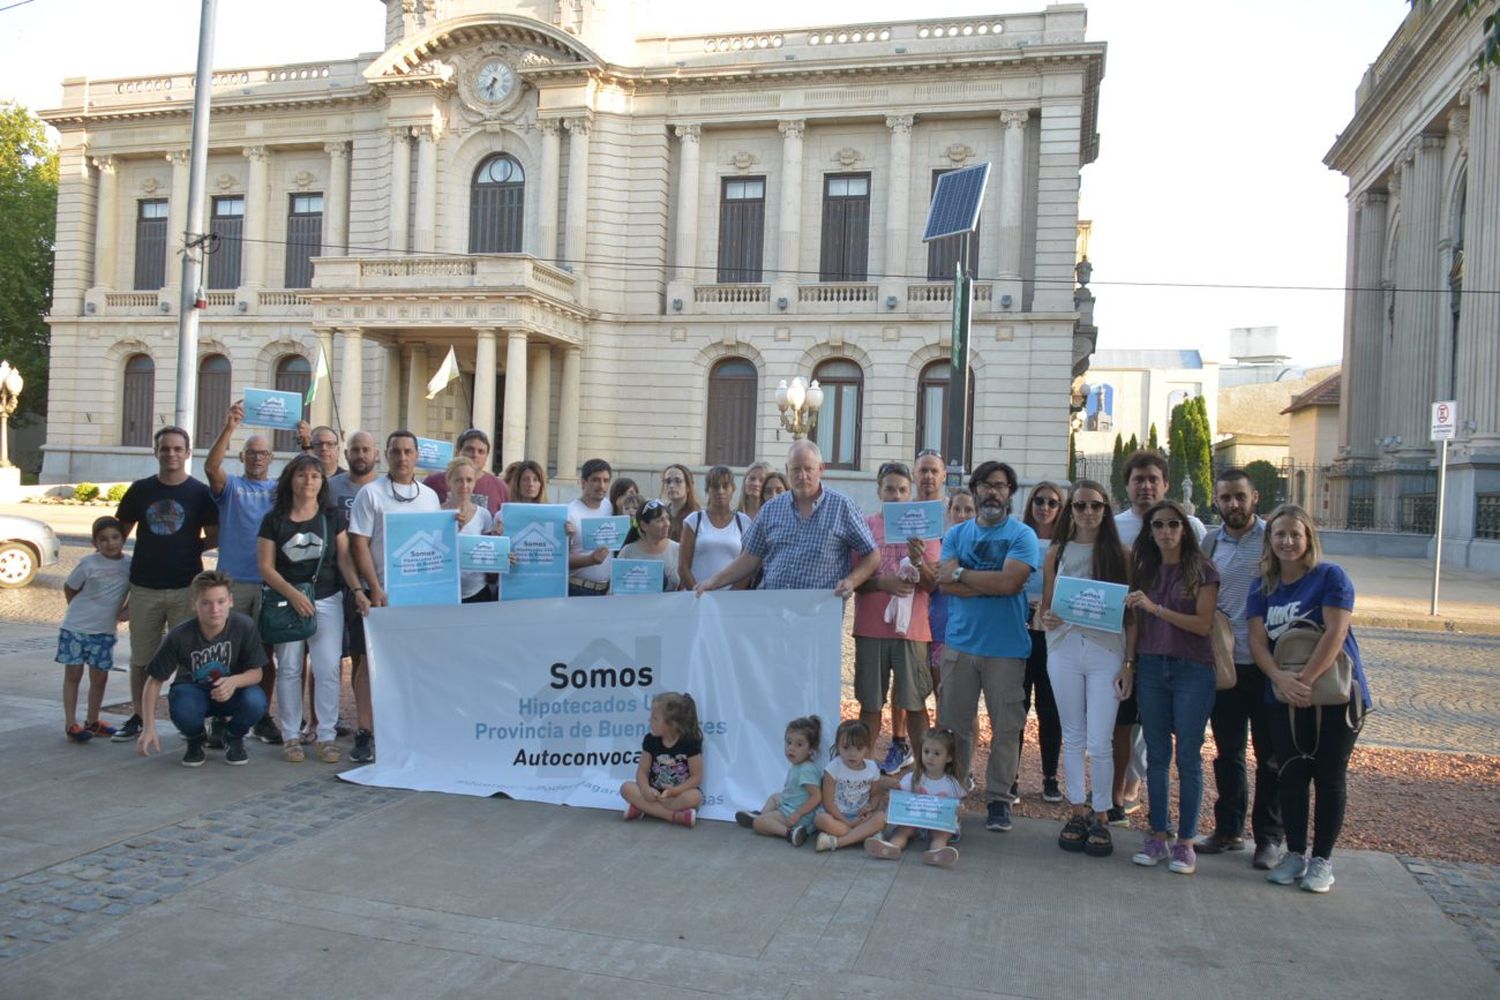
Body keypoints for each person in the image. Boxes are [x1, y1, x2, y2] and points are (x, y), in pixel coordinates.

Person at [1248, 504, 1371, 895]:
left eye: (1294, 534)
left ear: (1308, 538)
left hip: (1335, 694)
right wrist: (1280, 679)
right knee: (1292, 775)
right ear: (1270, 540)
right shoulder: (1262, 584)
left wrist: (1307, 679)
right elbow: (1257, 641)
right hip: (1282, 693)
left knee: (1329, 775)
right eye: (1279, 534)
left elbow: (1336, 632)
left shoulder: (1330, 577)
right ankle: (1295, 853)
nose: (1287, 541)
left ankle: (1322, 861)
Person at [935, 460, 1040, 834]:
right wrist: (988, 581)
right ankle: (954, 789)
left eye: (1000, 485)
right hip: (960, 644)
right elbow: (942, 584)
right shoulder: (956, 534)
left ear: (1010, 492)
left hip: (1006, 648)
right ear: (974, 489)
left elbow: (1011, 583)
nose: (992, 492)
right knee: (953, 726)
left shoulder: (1022, 535)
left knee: (1006, 728)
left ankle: (998, 799)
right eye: (985, 485)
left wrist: (963, 573)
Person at [1110, 449, 1206, 824]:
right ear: (1128, 485)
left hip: (1176, 644)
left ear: (1165, 484)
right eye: (1138, 479)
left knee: (1159, 731)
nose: (1146, 486)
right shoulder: (1115, 527)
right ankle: (1118, 790)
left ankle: (1145, 795)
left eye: (1153, 479)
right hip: (1127, 639)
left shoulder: (1191, 527)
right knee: (1122, 720)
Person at [1124, 499, 1221, 875]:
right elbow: (1134, 622)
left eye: (1173, 525)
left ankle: (1186, 841)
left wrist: (1156, 609)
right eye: (1158, 525)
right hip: (1150, 667)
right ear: (1150, 531)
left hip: (1192, 670)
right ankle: (1158, 835)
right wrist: (1129, 665)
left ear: (1185, 529)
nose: (1166, 532)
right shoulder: (1144, 569)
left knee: (1189, 758)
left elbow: (1202, 624)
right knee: (1157, 756)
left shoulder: (1202, 570)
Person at [1040, 480, 1134, 858]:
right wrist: (1048, 617)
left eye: (1095, 506)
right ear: (1071, 510)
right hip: (1064, 649)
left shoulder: (1120, 553)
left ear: (1105, 510)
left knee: (1100, 740)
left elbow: (1130, 615)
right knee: (1073, 735)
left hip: (1106, 653)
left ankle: (1101, 814)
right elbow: (1047, 606)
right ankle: (1077, 810)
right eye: (1080, 506)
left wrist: (1129, 663)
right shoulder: (1057, 551)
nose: (1088, 513)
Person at [1196, 468, 1284, 870]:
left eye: (1240, 497)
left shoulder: (1274, 539)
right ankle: (1228, 829)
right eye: (1225, 497)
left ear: (1255, 498)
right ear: (1216, 500)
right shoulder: (1210, 542)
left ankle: (1268, 838)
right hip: (1227, 664)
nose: (1233, 504)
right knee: (1228, 753)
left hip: (1269, 663)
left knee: (1271, 756)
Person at [112, 426, 218, 743]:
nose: (171, 454)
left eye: (177, 449)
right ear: (155, 451)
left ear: (188, 453)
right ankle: (140, 717)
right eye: (165, 448)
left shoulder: (200, 493)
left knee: (190, 660)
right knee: (142, 658)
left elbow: (215, 534)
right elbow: (119, 532)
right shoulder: (141, 490)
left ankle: (191, 720)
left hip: (187, 588)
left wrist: (191, 547)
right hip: (144, 587)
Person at [257, 454, 366, 761]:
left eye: (315, 476)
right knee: (289, 668)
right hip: (286, 601)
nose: (309, 481)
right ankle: (291, 735)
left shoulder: (332, 517)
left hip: (328, 598)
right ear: (290, 479)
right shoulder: (274, 520)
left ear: (322, 483)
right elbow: (265, 566)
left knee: (328, 668)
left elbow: (344, 559)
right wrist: (293, 595)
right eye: (302, 475)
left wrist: (356, 589)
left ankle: (325, 734)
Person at [348, 431, 442, 762]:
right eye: (396, 452)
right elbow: (358, 544)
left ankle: (406, 729)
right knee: (367, 665)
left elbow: (435, 545)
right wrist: (374, 588)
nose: (402, 457)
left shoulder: (430, 496)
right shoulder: (369, 494)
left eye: (408, 451)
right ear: (386, 455)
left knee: (411, 665)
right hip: (381, 595)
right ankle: (365, 731)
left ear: (417, 456)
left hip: (419, 598)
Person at [695, 440, 878, 596]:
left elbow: (872, 553)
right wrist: (713, 582)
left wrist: (852, 581)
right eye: (796, 469)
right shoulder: (771, 509)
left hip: (820, 615)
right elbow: (749, 558)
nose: (802, 476)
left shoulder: (842, 507)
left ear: (821, 469)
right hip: (776, 613)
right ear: (787, 470)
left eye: (808, 469)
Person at [852, 462, 938, 775]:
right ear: (879, 491)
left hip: (912, 631)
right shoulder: (865, 526)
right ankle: (860, 773)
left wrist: (918, 559)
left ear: (910, 492)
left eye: (903, 490)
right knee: (871, 704)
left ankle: (925, 774)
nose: (897, 495)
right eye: (890, 489)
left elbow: (932, 584)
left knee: (914, 704)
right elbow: (853, 580)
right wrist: (883, 583)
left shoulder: (924, 529)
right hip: (871, 628)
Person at [203, 401, 279, 745]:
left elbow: (316, 481)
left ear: (271, 458)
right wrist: (230, 426)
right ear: (244, 457)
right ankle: (221, 717)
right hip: (233, 584)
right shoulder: (231, 486)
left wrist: (308, 442)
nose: (257, 458)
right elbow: (210, 466)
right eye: (252, 453)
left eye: (263, 454)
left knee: (263, 655)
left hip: (267, 583)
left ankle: (261, 715)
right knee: (226, 654)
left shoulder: (279, 491)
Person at [135, 570, 267, 767]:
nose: (215, 609)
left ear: (231, 601)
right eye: (206, 603)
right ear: (194, 604)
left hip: (231, 691)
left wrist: (233, 682)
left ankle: (233, 736)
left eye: (220, 601)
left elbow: (257, 672)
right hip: (194, 691)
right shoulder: (180, 635)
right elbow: (154, 681)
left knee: (255, 700)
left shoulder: (244, 626)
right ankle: (195, 738)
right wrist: (148, 726)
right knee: (183, 705)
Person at [327, 429, 379, 761]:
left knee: (368, 659)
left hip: (376, 587)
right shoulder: (331, 488)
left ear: (377, 454)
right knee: (339, 658)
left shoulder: (383, 491)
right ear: (347, 454)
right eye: (355, 450)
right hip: (337, 582)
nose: (361, 455)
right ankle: (332, 724)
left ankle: (372, 724)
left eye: (366, 449)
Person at [58, 516, 131, 742]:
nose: (110, 543)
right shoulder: (88, 564)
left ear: (123, 538)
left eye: (115, 537)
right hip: (76, 628)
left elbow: (137, 590)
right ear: (95, 543)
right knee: (74, 674)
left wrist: (126, 610)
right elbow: (69, 587)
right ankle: (71, 723)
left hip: (105, 631)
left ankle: (93, 721)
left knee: (99, 678)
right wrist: (80, 612)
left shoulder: (129, 564)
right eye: (103, 540)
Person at [1018, 479, 1065, 804]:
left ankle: (1050, 776)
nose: (1044, 507)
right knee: (1016, 707)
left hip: (1053, 635)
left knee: (1050, 709)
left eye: (1051, 502)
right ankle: (1011, 776)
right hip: (1019, 630)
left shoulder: (1067, 544)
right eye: (1039, 501)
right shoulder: (1019, 537)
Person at [864, 727, 965, 868]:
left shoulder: (952, 784)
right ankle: (891, 847)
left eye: (937, 753)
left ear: (948, 757)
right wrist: (891, 800)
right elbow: (901, 798)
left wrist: (959, 813)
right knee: (903, 830)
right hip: (915, 821)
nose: (930, 757)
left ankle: (936, 852)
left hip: (937, 823)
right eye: (926, 751)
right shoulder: (913, 777)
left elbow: (956, 809)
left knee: (941, 834)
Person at [735, 715, 824, 847]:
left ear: (811, 750)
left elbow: (816, 796)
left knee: (759, 825)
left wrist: (798, 814)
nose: (791, 748)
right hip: (790, 806)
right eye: (789, 742)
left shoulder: (806, 770)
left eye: (799, 744)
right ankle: (762, 815)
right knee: (775, 797)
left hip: (799, 816)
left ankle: (790, 833)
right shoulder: (798, 765)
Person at [619, 692, 704, 827]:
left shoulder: (690, 742)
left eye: (654, 718)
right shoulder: (651, 740)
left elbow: (696, 777)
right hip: (653, 793)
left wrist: (673, 792)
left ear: (672, 724)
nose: (649, 721)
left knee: (695, 797)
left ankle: (644, 808)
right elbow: (642, 771)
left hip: (676, 795)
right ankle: (673, 816)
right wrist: (646, 790)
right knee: (626, 788)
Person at [927, 488, 975, 694]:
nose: (962, 515)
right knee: (943, 696)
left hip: (972, 631)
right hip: (940, 628)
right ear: (949, 512)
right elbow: (928, 586)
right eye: (957, 509)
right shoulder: (936, 545)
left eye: (968, 509)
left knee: (967, 701)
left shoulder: (982, 549)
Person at [814, 719, 887, 853]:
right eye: (846, 747)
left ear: (867, 748)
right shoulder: (833, 769)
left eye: (859, 748)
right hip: (837, 817)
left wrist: (870, 807)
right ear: (838, 746)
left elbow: (876, 794)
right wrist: (846, 822)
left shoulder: (871, 767)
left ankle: (836, 842)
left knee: (882, 817)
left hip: (860, 818)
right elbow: (828, 802)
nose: (852, 754)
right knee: (821, 820)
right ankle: (863, 835)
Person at [678, 466, 752, 591]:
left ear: (733, 489)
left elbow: (748, 565)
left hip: (731, 600)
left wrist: (732, 594)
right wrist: (698, 592)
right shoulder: (694, 520)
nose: (720, 491)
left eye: (725, 486)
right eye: (715, 487)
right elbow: (683, 567)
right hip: (697, 597)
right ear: (707, 490)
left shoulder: (744, 522)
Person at [443, 456, 497, 603]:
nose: (464, 485)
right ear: (449, 482)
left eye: (469, 480)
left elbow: (489, 554)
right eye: (458, 480)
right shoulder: (436, 513)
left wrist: (500, 545)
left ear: (474, 482)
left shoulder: (484, 515)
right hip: (445, 591)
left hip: (477, 591)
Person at [422, 428, 510, 512]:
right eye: (469, 449)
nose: (475, 455)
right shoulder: (432, 483)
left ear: (486, 456)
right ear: (457, 452)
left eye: (481, 451)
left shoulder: (500, 488)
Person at [567, 458, 615, 596]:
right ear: (583, 482)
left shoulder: (608, 506)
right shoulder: (569, 513)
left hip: (606, 591)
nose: (601, 486)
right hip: (577, 589)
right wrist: (590, 560)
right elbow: (560, 559)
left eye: (606, 480)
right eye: (595, 480)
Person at [617, 499, 681, 591]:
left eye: (667, 518)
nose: (667, 524)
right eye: (660, 520)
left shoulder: (677, 549)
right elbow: (617, 586)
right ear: (644, 526)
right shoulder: (628, 552)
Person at [660, 463, 701, 542]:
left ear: (688, 486)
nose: (671, 485)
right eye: (668, 481)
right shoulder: (660, 513)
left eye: (678, 481)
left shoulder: (697, 515)